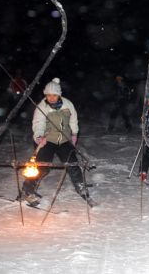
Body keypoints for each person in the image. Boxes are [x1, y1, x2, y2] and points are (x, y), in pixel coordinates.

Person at [21, 78, 95, 207]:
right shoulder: (42, 107)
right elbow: (38, 123)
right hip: (47, 140)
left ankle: (81, 187)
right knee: (41, 167)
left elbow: (73, 120)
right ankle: (28, 191)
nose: (51, 98)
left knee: (73, 165)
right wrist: (39, 137)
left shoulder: (68, 104)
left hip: (65, 140)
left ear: (59, 94)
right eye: (48, 95)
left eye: (54, 95)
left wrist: (74, 134)